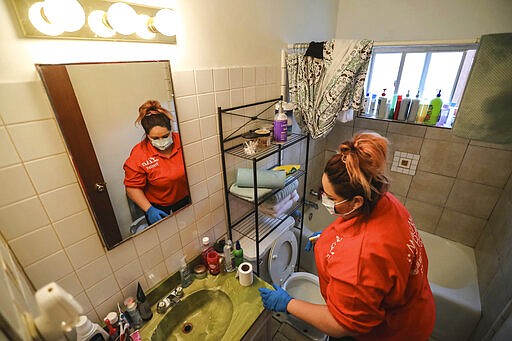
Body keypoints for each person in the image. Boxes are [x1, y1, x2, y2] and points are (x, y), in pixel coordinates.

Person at [259, 132, 435, 340]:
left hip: (394, 331)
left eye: (331, 197)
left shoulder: (362, 259)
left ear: (357, 201)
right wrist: (330, 238)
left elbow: (341, 325)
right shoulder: (386, 202)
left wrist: (287, 303)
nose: (324, 199)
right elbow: (364, 231)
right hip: (417, 307)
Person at [123, 100, 190, 225]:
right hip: (157, 206)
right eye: (155, 138)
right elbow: (132, 188)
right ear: (147, 135)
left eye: (165, 136)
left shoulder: (183, 141)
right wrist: (149, 210)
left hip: (186, 198)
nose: (161, 141)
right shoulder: (139, 154)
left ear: (171, 130)